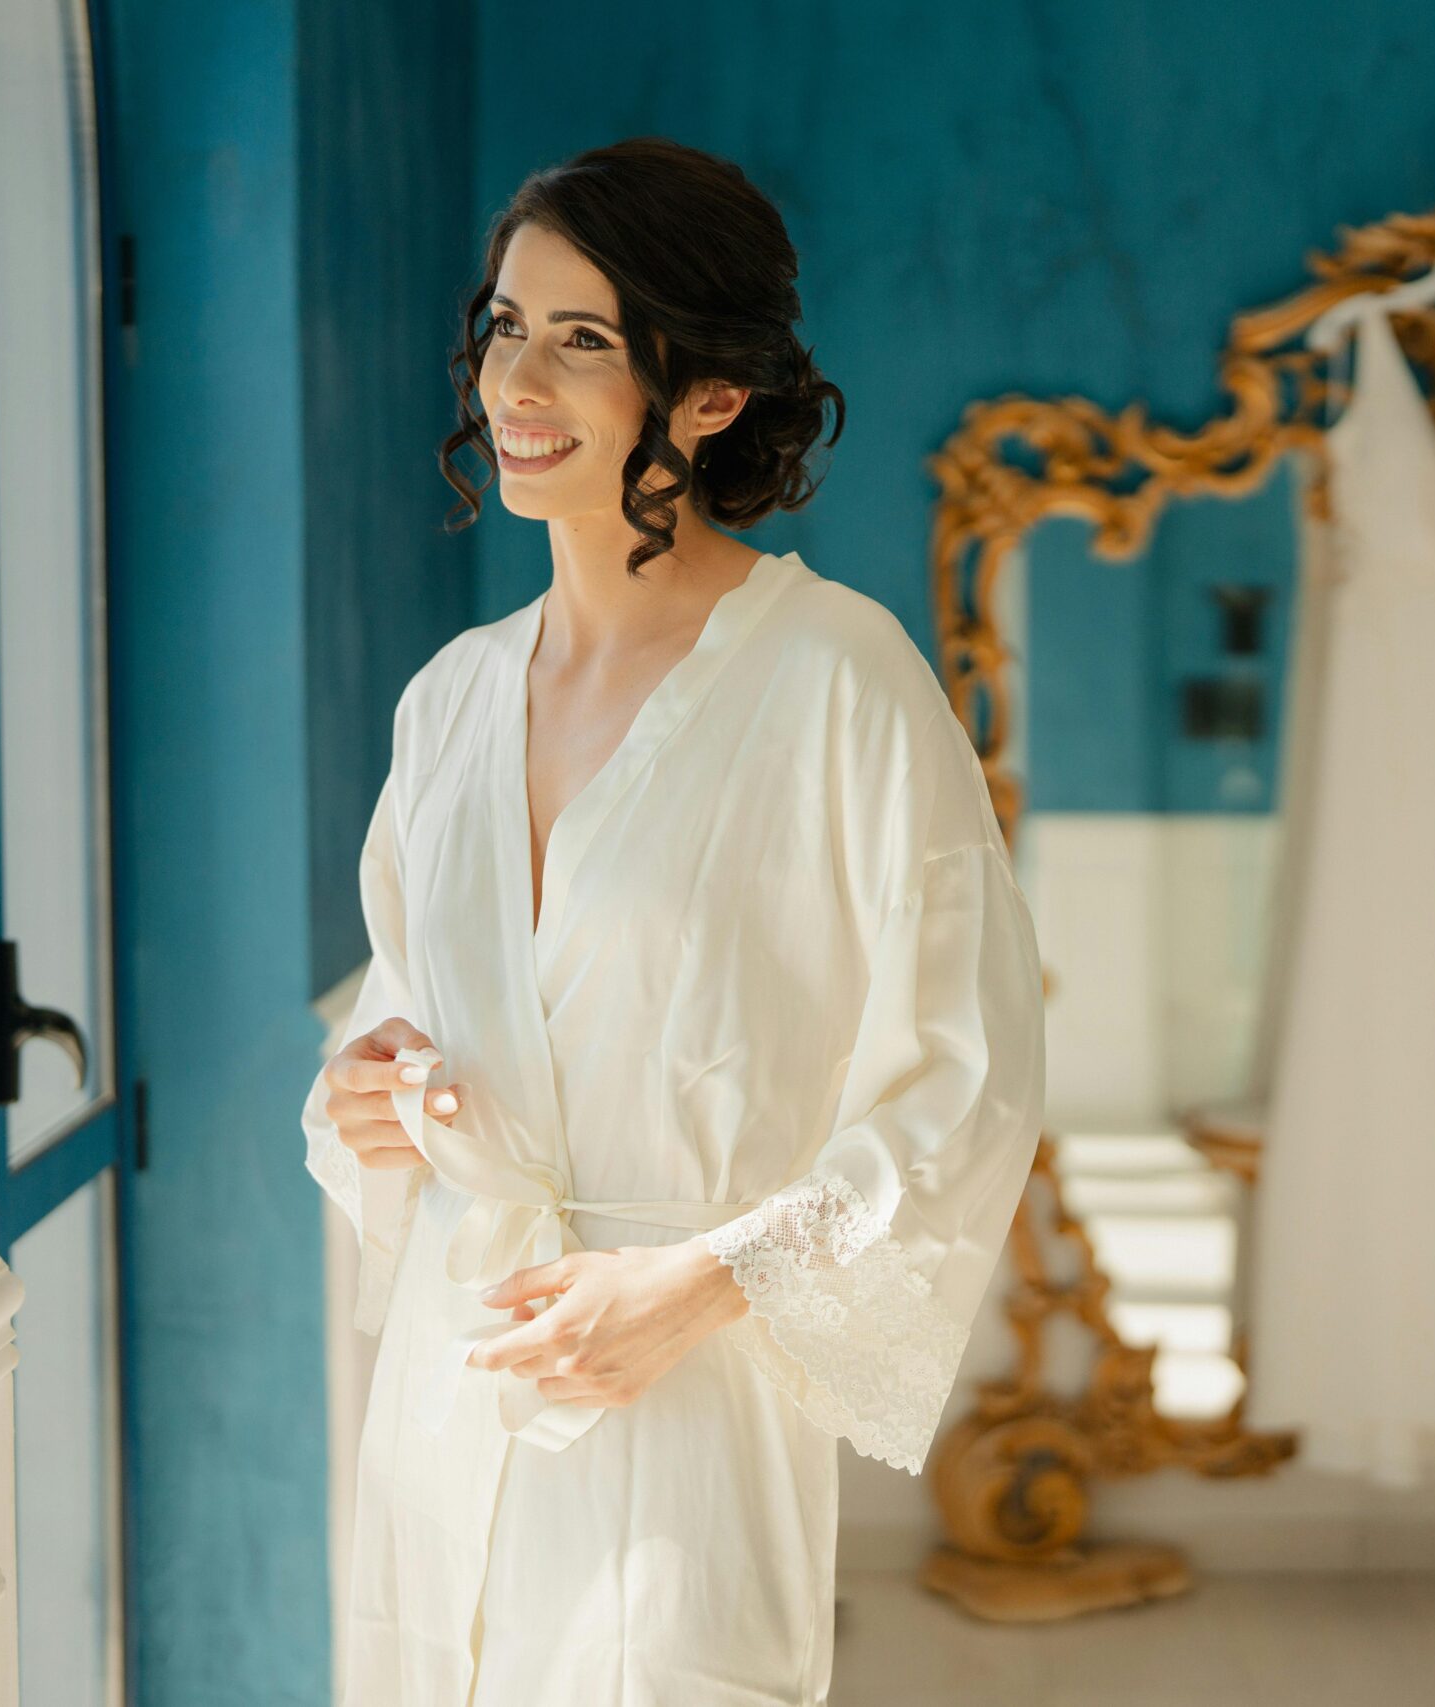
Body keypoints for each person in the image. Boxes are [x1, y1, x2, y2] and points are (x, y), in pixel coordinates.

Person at [297, 137, 1049, 1707]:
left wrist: (702, 1285)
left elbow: (967, 1079)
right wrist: (363, 1097)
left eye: (585, 340)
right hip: (451, 1384)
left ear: (709, 396)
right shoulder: (450, 703)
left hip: (687, 1392)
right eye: (508, 326)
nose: (521, 378)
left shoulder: (838, 679)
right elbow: (405, 1025)